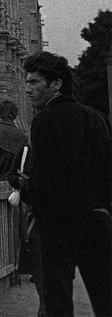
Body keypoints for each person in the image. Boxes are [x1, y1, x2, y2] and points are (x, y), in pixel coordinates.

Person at [11, 51, 111, 317]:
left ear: (55, 84)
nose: (27, 88)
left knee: (57, 303)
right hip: (97, 221)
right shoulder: (96, 117)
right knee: (105, 298)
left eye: (34, 82)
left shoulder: (44, 120)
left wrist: (26, 190)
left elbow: (43, 181)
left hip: (58, 225)